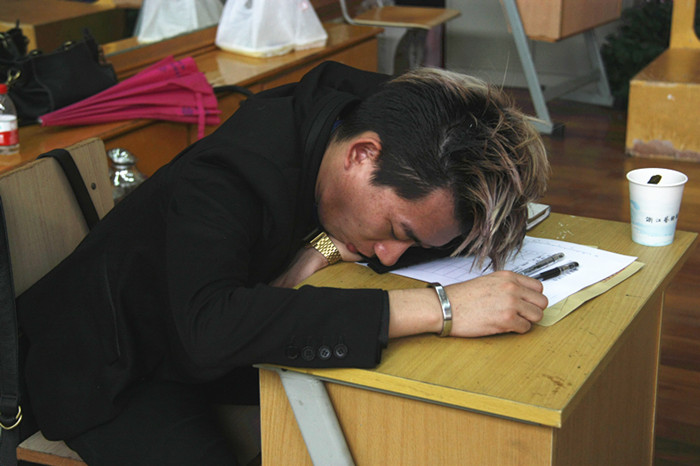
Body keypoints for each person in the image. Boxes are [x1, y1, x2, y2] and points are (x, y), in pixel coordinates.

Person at [17, 61, 549, 465]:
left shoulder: (392, 123)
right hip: (112, 362)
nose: (389, 255)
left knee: (392, 412)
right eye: (396, 231)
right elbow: (211, 328)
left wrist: (318, 249)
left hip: (227, 328)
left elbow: (454, 212)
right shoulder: (229, 172)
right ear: (361, 155)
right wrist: (441, 308)